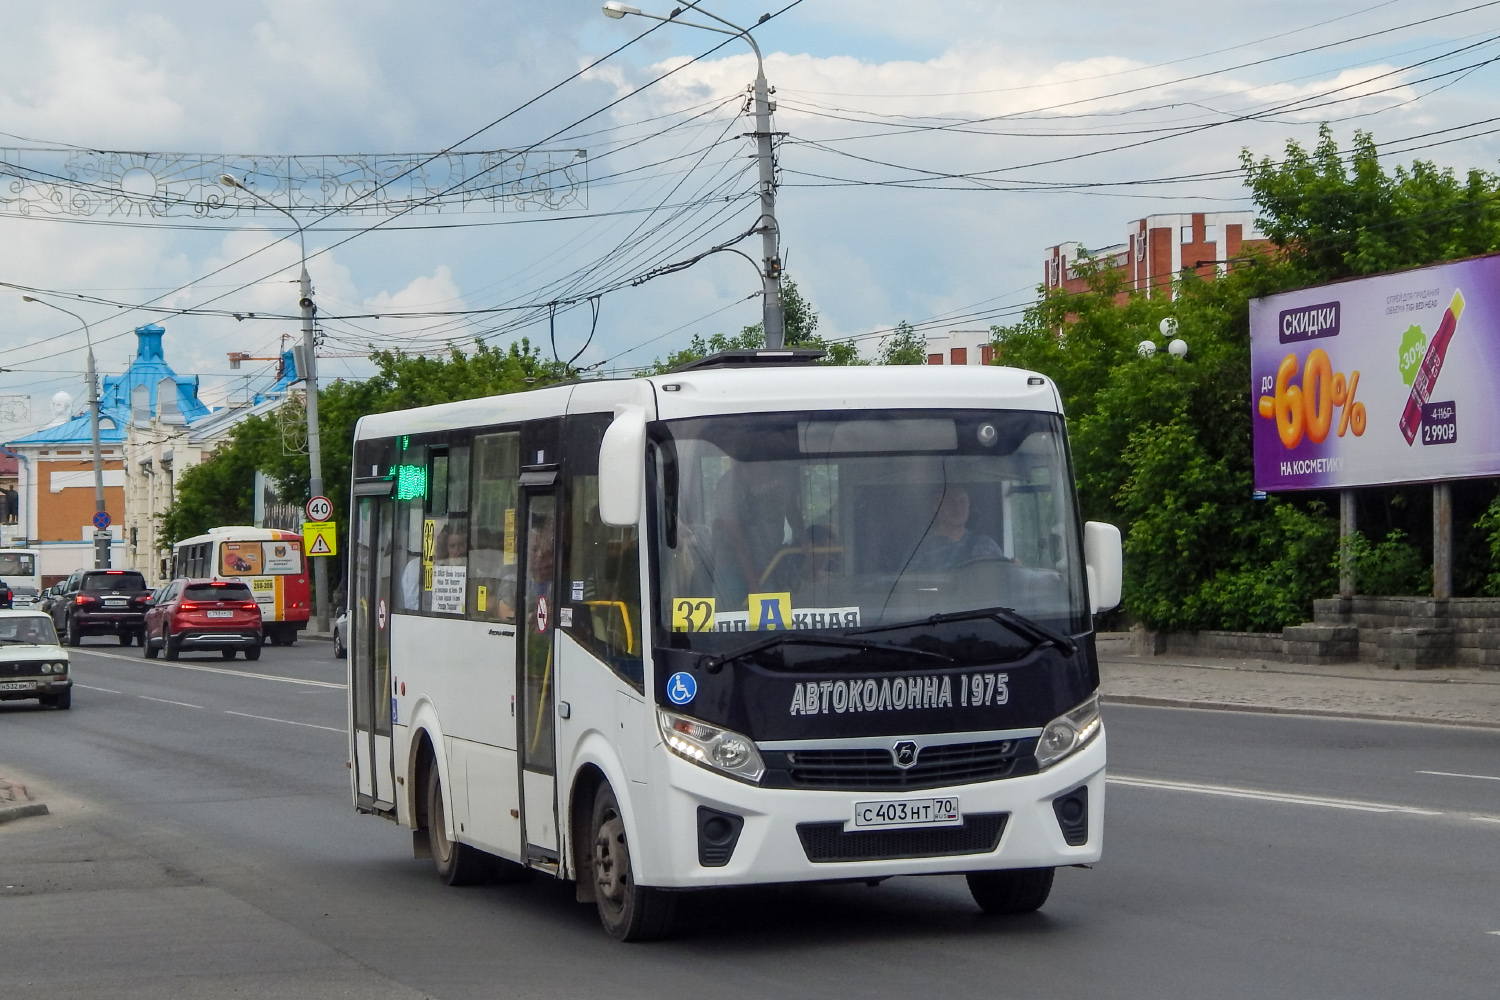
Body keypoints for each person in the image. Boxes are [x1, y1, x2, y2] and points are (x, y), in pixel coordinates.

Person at [910, 484, 1004, 571]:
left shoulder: (987, 545)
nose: (958, 507)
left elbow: (1003, 577)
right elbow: (909, 585)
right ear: (936, 507)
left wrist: (1014, 566)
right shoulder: (921, 548)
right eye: (951, 502)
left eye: (962, 502)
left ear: (969, 506)